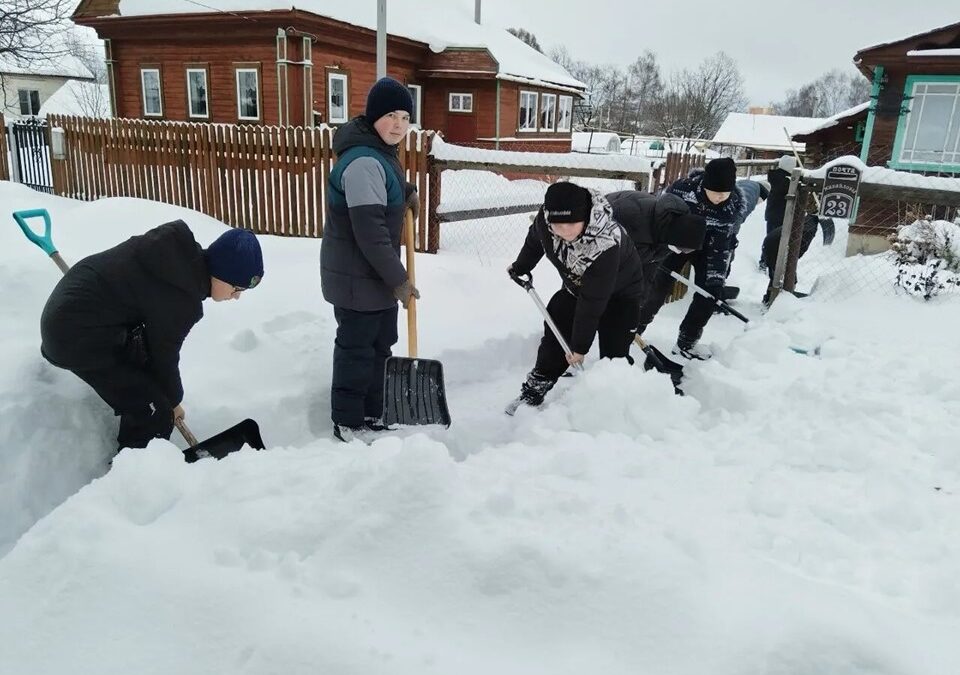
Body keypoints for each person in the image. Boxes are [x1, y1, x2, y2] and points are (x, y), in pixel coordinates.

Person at [40, 223, 264, 451]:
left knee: (145, 366)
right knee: (154, 410)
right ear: (221, 272)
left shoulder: (175, 260)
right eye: (237, 288)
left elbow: (156, 345)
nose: (236, 297)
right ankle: (135, 475)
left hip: (75, 317)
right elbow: (164, 354)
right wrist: (173, 401)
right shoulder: (180, 296)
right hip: (72, 336)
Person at [320, 76, 421, 442]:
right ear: (374, 115)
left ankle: (372, 411)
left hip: (372, 276)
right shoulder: (363, 161)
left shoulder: (378, 152)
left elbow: (387, 187)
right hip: (356, 277)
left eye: (406, 118)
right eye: (391, 115)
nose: (399, 125)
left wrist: (405, 192)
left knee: (381, 344)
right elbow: (370, 233)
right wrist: (399, 280)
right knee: (357, 349)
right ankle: (348, 420)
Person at [507, 181, 645, 409]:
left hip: (621, 294)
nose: (564, 231)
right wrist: (521, 266)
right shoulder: (546, 220)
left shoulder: (605, 243)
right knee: (556, 334)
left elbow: (592, 302)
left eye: (571, 223)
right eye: (557, 225)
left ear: (585, 216)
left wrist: (580, 347)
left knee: (615, 355)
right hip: (577, 287)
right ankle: (535, 388)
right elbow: (536, 240)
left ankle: (614, 402)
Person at [636, 157, 747, 360]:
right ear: (705, 184)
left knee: (709, 293)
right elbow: (661, 219)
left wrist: (715, 279)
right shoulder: (682, 191)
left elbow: (722, 244)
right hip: (677, 241)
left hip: (712, 248)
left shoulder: (733, 207)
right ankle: (634, 329)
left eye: (725, 193)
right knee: (656, 284)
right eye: (715, 192)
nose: (720, 197)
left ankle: (687, 342)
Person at [604, 190, 707, 292]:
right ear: (676, 237)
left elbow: (647, 272)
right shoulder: (634, 214)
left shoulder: (665, 239)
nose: (678, 252)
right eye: (680, 249)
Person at [761, 213, 835, 303]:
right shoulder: (808, 229)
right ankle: (775, 301)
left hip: (770, 245)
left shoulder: (805, 222)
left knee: (779, 276)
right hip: (775, 248)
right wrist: (790, 262)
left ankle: (770, 299)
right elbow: (798, 250)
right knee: (786, 279)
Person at [761, 155, 798, 270]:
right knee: (775, 241)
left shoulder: (776, 176)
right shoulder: (785, 180)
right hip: (780, 216)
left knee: (771, 238)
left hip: (773, 215)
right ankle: (767, 262)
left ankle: (766, 262)